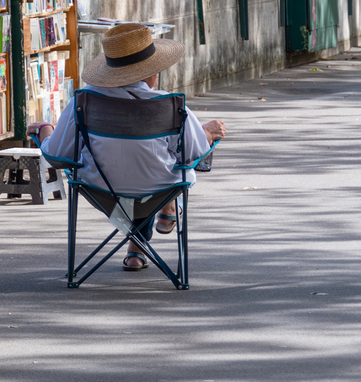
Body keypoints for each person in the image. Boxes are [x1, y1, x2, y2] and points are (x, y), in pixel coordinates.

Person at [32, 23, 226, 271]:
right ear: (150, 72)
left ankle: (137, 246)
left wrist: (44, 131)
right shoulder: (169, 105)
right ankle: (162, 215)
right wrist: (207, 133)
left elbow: (58, 155)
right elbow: (193, 153)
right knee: (156, 177)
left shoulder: (83, 101)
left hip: (100, 189)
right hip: (160, 188)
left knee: (132, 175)